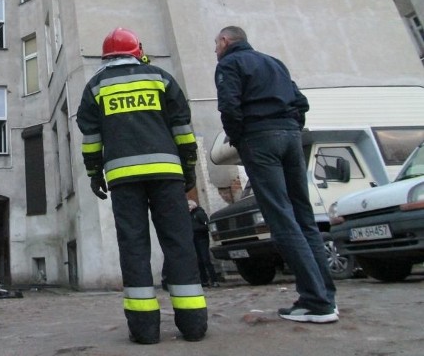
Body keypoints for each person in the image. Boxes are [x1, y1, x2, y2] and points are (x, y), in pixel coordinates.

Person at [76, 27, 208, 344]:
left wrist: (95, 173)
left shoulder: (96, 86)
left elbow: (91, 138)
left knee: (133, 248)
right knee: (179, 243)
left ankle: (145, 330)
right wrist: (188, 167)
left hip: (123, 179)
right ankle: (192, 324)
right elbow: (182, 128)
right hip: (167, 174)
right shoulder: (160, 78)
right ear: (137, 51)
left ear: (105, 57)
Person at [213, 25, 337, 324]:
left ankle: (315, 302)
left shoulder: (229, 64)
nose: (215, 50)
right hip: (291, 138)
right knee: (304, 216)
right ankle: (326, 298)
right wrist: (291, 126)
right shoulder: (273, 62)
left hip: (259, 138)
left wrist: (238, 136)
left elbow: (229, 106)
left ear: (226, 41)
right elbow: (300, 101)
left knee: (281, 218)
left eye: (216, 44)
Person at [188, 200, 220, 287]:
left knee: (206, 260)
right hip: (194, 240)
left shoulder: (199, 213)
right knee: (199, 261)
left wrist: (195, 229)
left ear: (193, 205)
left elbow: (206, 226)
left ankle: (214, 280)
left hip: (202, 239)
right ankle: (204, 281)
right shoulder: (189, 215)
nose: (187, 207)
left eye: (189, 205)